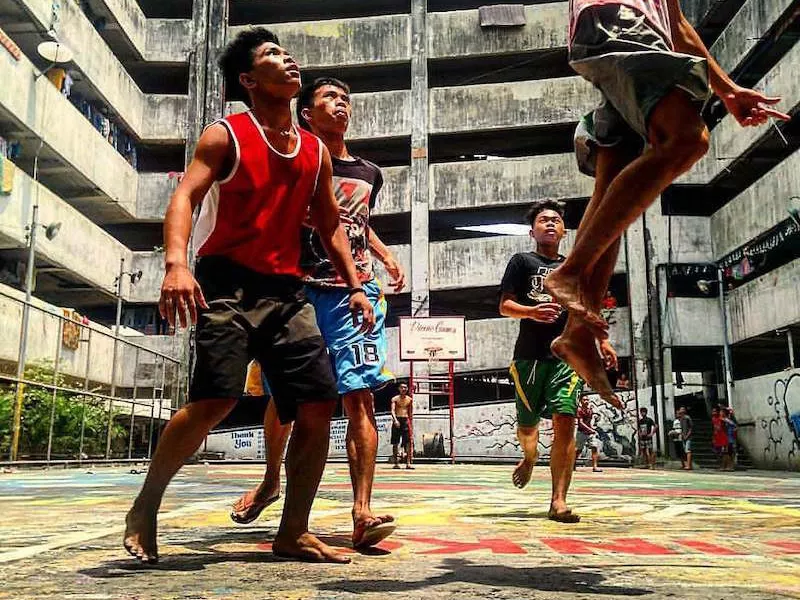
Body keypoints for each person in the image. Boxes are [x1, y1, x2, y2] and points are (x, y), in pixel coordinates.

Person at [123, 28, 375, 565]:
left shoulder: (313, 151)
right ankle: (146, 504)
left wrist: (356, 285)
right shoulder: (226, 135)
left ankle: (293, 531)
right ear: (248, 79)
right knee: (217, 399)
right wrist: (175, 265)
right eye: (272, 57)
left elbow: (330, 225)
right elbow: (185, 198)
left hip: (288, 290)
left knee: (316, 404)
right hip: (226, 282)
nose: (288, 61)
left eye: (288, 55)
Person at [544, 0, 789, 398]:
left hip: (631, 32)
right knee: (687, 140)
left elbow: (676, 22)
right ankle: (569, 272)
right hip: (620, 23)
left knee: (615, 183)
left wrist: (727, 91)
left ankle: (577, 335)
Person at [230, 76, 406, 550]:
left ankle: (363, 511)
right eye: (330, 97)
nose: (341, 104)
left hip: (355, 291)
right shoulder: (296, 158)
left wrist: (385, 256)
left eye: (346, 98)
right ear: (306, 112)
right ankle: (271, 482)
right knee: (284, 401)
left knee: (361, 397)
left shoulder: (370, 171)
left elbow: (353, 223)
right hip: (296, 290)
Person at [500, 199, 619, 523]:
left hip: (566, 358)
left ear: (564, 230)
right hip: (528, 358)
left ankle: (558, 500)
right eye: (543, 220)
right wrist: (531, 311)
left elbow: (588, 312)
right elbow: (504, 306)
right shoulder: (522, 262)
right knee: (528, 427)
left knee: (565, 421)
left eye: (555, 220)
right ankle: (529, 456)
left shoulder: (574, 270)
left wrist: (602, 341)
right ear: (532, 230)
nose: (550, 224)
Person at [575, 396, 602, 473]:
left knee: (594, 447)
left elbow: (590, 421)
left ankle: (595, 467)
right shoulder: (579, 410)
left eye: (587, 400)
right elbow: (580, 423)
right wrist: (590, 429)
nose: (586, 401)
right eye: (584, 400)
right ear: (581, 401)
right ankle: (573, 464)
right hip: (581, 433)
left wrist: (592, 428)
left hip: (590, 433)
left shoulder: (590, 410)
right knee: (578, 450)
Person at [391, 383, 414, 470]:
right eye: (402, 387)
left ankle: (408, 463)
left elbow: (410, 412)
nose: (403, 389)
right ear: (399, 388)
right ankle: (396, 463)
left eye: (405, 387)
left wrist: (410, 422)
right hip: (397, 419)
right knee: (395, 442)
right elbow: (392, 410)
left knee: (408, 442)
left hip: (405, 420)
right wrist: (395, 420)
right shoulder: (395, 399)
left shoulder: (409, 399)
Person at [678, 406, 693, 470]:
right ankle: (689, 464)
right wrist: (682, 435)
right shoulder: (681, 419)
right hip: (683, 436)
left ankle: (689, 465)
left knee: (688, 450)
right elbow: (681, 428)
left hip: (688, 437)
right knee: (685, 451)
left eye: (682, 409)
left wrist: (687, 435)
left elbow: (691, 428)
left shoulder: (687, 418)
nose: (681, 411)